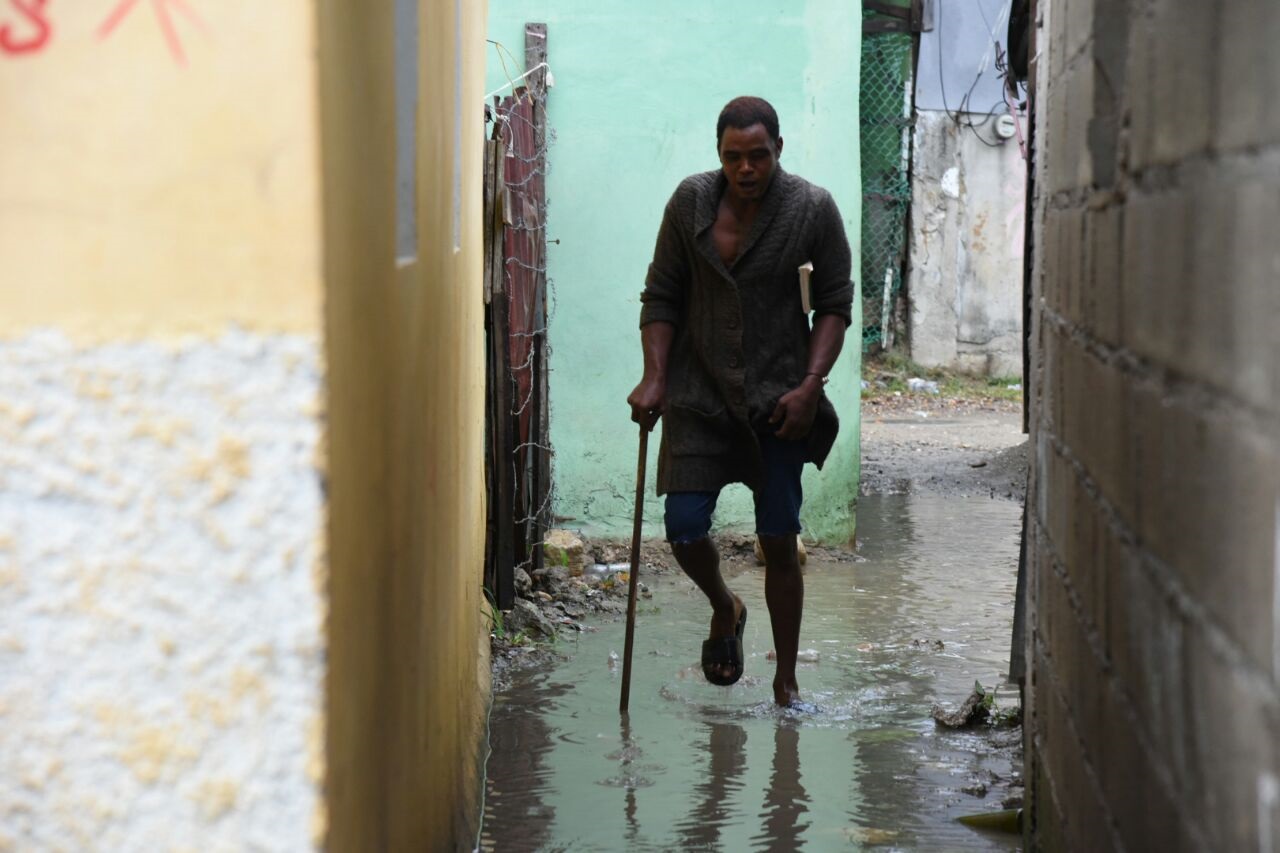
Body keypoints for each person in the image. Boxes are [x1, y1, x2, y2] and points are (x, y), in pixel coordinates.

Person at [627, 95, 853, 707]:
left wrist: (811, 386)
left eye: (758, 155)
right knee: (682, 528)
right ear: (719, 155)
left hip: (780, 401)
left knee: (779, 538)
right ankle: (726, 607)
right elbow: (662, 296)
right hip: (699, 396)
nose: (746, 169)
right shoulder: (689, 203)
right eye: (734, 157)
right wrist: (655, 376)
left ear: (778, 149)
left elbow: (834, 302)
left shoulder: (811, 208)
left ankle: (785, 683)